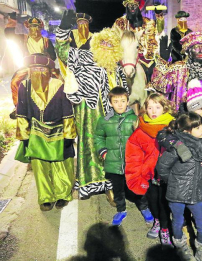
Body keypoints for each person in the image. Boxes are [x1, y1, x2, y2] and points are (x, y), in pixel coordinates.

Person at [56, 13, 129, 201]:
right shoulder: (83, 57)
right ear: (96, 45)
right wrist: (64, 30)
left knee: (113, 150)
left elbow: (125, 92)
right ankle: (88, 183)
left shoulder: (117, 67)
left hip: (113, 116)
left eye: (110, 45)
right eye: (102, 44)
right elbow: (63, 52)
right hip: (90, 112)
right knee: (89, 146)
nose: (106, 47)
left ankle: (111, 187)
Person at [156, 79, 202, 245]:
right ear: (192, 107)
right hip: (182, 174)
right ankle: (184, 226)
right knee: (181, 205)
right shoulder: (181, 121)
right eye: (201, 107)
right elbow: (162, 136)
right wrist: (177, 145)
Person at [15, 54, 76, 211]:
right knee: (40, 166)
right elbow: (21, 112)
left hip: (59, 131)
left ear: (49, 71)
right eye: (34, 69)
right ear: (29, 70)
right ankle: (46, 197)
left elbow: (67, 111)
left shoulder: (59, 85)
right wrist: (24, 136)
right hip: (36, 132)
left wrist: (69, 135)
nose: (38, 72)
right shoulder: (25, 86)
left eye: (42, 69)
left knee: (61, 164)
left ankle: (63, 194)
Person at [157, 112, 202, 261]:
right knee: (177, 221)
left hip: (197, 193)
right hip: (177, 195)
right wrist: (173, 183)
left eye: (201, 125)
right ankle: (181, 247)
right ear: (186, 132)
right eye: (197, 127)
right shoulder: (179, 148)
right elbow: (162, 167)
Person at [94, 87, 154, 226]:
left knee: (138, 188)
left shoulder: (135, 119)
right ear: (110, 103)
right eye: (116, 101)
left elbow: (142, 139)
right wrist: (103, 151)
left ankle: (144, 208)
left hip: (132, 162)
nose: (120, 104)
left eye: (123, 101)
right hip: (114, 163)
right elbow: (98, 137)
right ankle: (121, 210)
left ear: (128, 101)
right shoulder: (104, 120)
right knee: (118, 189)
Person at [125, 93, 175, 248]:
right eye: (150, 107)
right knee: (153, 201)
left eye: (158, 107)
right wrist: (137, 175)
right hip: (150, 175)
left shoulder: (172, 128)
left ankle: (165, 229)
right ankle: (157, 221)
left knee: (165, 203)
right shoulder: (140, 131)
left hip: (168, 176)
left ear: (164, 109)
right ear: (145, 109)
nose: (153, 111)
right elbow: (133, 155)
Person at [151, 31, 202, 110]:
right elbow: (160, 84)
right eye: (196, 48)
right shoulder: (179, 68)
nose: (201, 50)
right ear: (189, 51)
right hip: (184, 116)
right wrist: (163, 59)